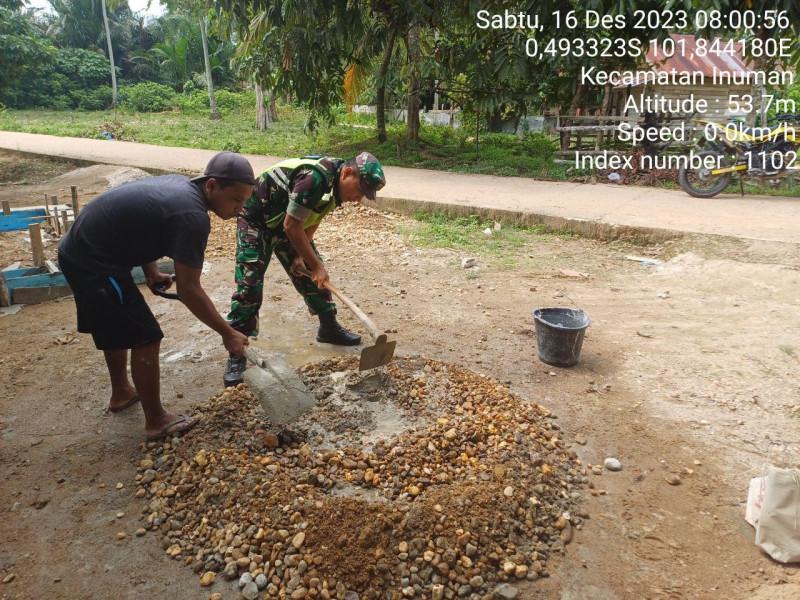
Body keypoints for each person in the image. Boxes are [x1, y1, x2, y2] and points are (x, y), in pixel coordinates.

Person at [58, 152, 253, 441]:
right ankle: (156, 420)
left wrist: (151, 271)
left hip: (84, 249)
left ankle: (122, 392)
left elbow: (142, 229)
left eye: (244, 202)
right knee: (146, 336)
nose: (239, 209)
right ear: (211, 186)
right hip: (93, 261)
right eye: (236, 199)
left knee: (119, 324)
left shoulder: (183, 188)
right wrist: (228, 333)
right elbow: (189, 289)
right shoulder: (193, 217)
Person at [223, 152, 386, 387]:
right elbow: (292, 226)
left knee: (312, 273)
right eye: (360, 190)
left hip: (288, 222)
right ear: (348, 173)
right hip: (258, 220)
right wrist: (318, 266)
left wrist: (302, 256)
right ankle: (237, 352)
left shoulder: (335, 184)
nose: (359, 198)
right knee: (249, 283)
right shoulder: (315, 178)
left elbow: (313, 216)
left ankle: (328, 327)